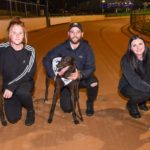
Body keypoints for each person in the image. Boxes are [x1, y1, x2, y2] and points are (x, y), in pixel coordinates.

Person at [43, 22, 98, 116]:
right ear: (68, 34)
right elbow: (46, 59)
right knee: (67, 109)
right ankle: (72, 93)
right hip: (67, 81)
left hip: (81, 78)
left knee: (94, 82)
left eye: (78, 32)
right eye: (72, 32)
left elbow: (91, 67)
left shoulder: (87, 48)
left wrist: (80, 74)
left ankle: (90, 103)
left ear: (82, 34)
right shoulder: (62, 47)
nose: (75, 35)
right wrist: (54, 76)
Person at [0, 17, 36, 126]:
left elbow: (28, 73)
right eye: (14, 32)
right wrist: (9, 88)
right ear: (9, 34)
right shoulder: (2, 48)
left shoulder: (30, 50)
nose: (17, 36)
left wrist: (11, 87)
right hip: (8, 86)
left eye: (20, 33)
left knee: (21, 92)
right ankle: (19, 100)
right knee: (13, 118)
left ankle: (30, 110)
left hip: (24, 83)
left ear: (24, 35)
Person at [118, 35, 150, 119]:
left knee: (146, 92)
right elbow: (134, 81)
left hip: (145, 82)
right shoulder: (126, 60)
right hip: (128, 86)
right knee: (146, 93)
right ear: (131, 48)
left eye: (140, 44)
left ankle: (141, 102)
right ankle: (131, 104)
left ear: (145, 45)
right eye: (134, 45)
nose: (138, 47)